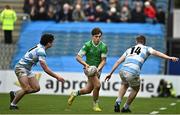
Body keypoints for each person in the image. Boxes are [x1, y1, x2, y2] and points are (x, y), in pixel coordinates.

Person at [105, 35, 179, 113]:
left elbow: (118, 61)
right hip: (132, 71)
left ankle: (118, 101)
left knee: (124, 84)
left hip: (122, 70)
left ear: (136, 42)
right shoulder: (147, 48)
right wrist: (169, 58)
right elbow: (157, 53)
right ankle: (126, 107)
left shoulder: (129, 49)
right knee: (136, 88)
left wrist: (110, 73)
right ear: (144, 42)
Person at [9, 34, 65, 110]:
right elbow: (45, 68)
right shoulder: (41, 51)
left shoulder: (39, 47)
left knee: (36, 88)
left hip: (27, 69)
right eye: (52, 42)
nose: (53, 43)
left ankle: (15, 93)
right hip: (20, 68)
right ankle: (13, 105)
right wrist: (57, 77)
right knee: (26, 88)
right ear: (48, 43)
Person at [67, 27, 108, 112]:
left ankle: (75, 93)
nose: (98, 38)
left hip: (97, 70)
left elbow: (103, 61)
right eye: (96, 36)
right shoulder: (87, 45)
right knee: (98, 85)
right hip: (88, 69)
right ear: (92, 36)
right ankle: (95, 105)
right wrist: (86, 64)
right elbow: (78, 57)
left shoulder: (103, 46)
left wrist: (98, 69)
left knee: (88, 90)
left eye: (99, 36)